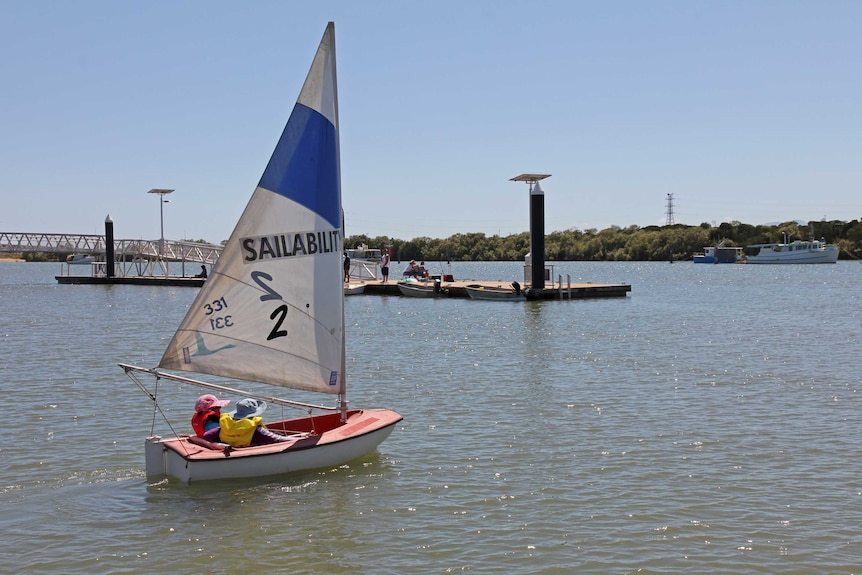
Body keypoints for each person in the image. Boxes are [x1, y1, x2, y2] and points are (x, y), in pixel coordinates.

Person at [204, 397, 292, 447]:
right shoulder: (257, 431)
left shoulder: (225, 427)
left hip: (232, 450)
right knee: (279, 435)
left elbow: (206, 437)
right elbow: (278, 439)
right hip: (247, 450)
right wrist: (299, 439)